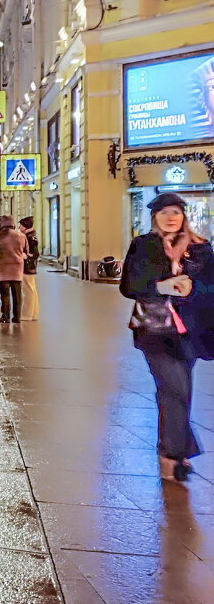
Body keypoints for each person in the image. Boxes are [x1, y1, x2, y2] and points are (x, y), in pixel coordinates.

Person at [121, 192, 214, 482]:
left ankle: (175, 451)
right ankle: (172, 455)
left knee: (180, 391)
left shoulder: (201, 249)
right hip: (155, 330)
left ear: (183, 216)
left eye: (176, 212)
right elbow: (128, 285)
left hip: (190, 332)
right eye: (164, 213)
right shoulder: (143, 246)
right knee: (173, 387)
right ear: (155, 218)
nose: (171, 217)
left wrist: (192, 288)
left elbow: (211, 288)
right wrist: (162, 286)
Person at [0, 214, 26, 324]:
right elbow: (25, 252)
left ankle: (6, 316)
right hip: (17, 270)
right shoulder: (21, 236)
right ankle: (17, 317)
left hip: (2, 270)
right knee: (18, 295)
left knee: (5, 295)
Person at [19, 217, 39, 320]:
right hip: (31, 267)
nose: (19, 227)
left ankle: (27, 314)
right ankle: (34, 313)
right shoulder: (32, 236)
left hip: (28, 267)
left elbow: (35, 253)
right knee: (32, 290)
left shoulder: (28, 237)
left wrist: (27, 255)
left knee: (28, 290)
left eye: (21, 225)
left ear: (25, 226)